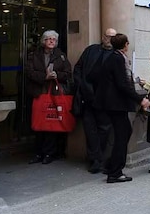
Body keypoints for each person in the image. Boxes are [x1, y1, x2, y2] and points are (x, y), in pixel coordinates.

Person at [88, 33, 142, 183]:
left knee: (124, 132)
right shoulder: (117, 59)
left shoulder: (113, 57)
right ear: (125, 45)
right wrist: (140, 99)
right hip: (116, 104)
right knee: (122, 135)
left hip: (113, 104)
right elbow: (122, 84)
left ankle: (111, 165)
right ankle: (115, 171)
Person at [25, 30, 72, 165]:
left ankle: (49, 153)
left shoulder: (61, 56)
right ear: (43, 41)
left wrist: (57, 75)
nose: (51, 41)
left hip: (54, 95)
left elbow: (68, 73)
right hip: (38, 93)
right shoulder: (34, 55)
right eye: (49, 39)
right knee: (38, 123)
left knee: (51, 123)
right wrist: (44, 77)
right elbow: (29, 72)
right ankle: (38, 152)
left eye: (54, 39)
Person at [73, 28, 116, 173]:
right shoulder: (91, 50)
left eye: (112, 37)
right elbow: (78, 68)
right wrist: (81, 85)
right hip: (87, 98)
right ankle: (94, 159)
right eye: (107, 36)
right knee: (89, 129)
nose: (109, 39)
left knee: (104, 129)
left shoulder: (116, 55)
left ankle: (99, 157)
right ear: (103, 36)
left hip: (105, 100)